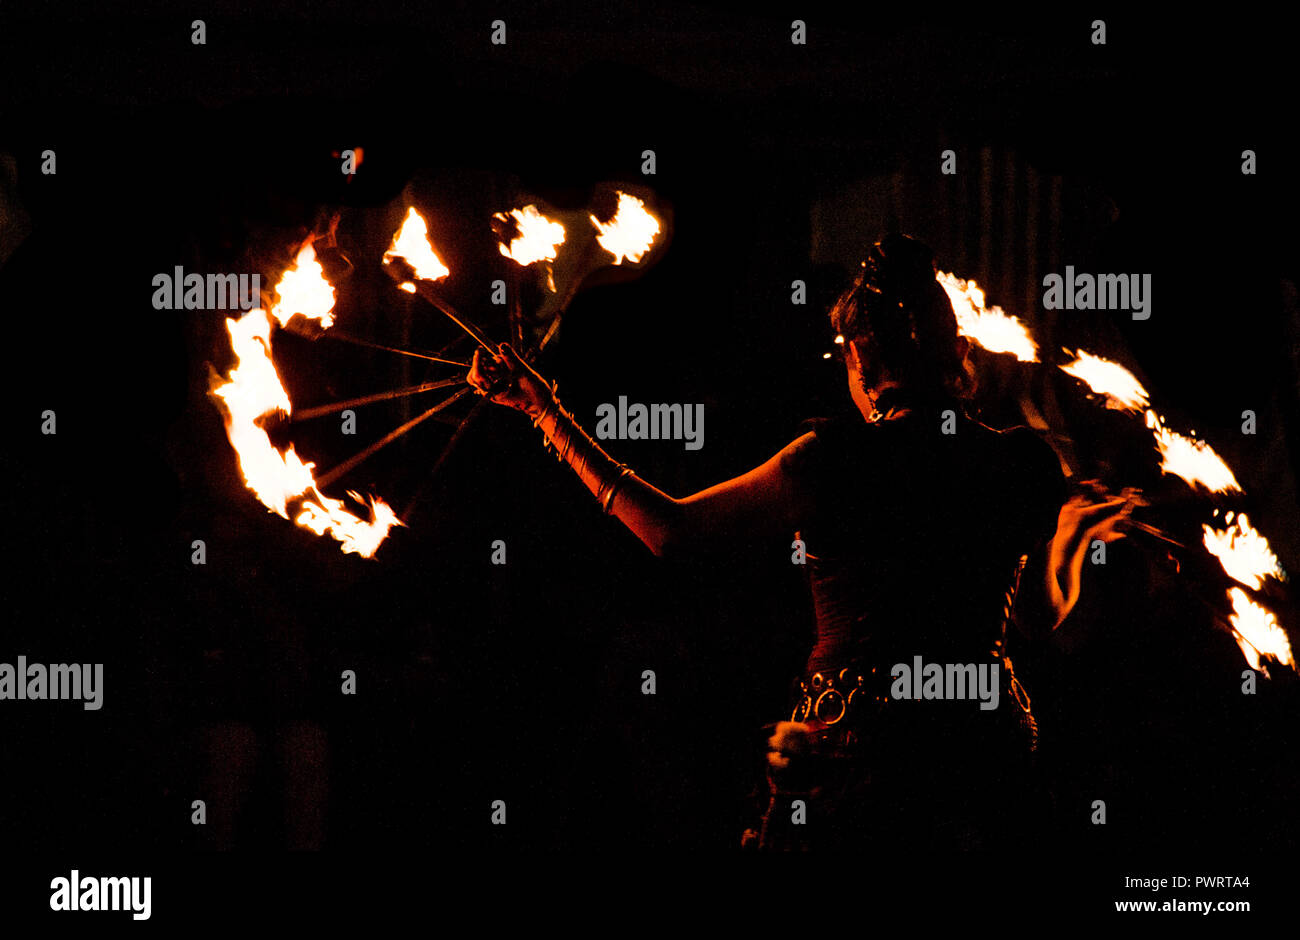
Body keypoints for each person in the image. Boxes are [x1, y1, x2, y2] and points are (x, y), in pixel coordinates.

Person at [467, 233, 1137, 851]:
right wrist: (1072, 539)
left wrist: (546, 412)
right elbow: (1039, 621)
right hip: (982, 753)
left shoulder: (832, 457)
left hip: (860, 756)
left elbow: (673, 535)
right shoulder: (1023, 463)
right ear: (959, 353)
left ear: (854, 356)